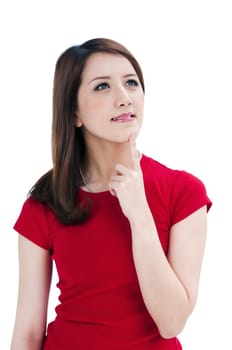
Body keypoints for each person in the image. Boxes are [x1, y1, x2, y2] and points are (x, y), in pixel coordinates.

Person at [11, 38, 212, 350]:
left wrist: (139, 214)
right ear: (74, 112)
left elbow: (171, 321)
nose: (124, 98)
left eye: (131, 83)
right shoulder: (45, 203)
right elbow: (26, 334)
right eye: (102, 87)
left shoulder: (183, 192)